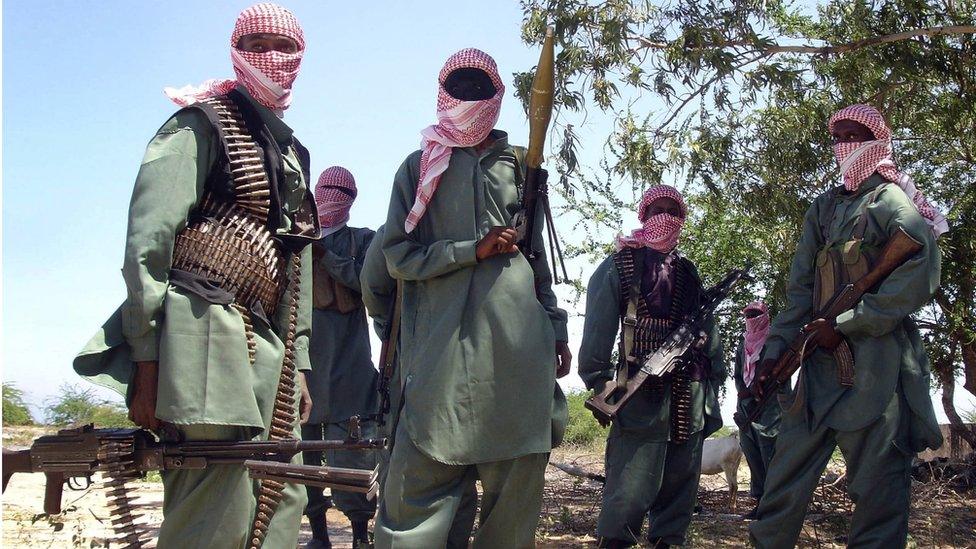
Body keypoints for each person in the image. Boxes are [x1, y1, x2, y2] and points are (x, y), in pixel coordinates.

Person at [73, 4, 317, 548]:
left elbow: (295, 266)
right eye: (255, 45)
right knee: (215, 505)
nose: (270, 57)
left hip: (267, 344)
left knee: (281, 497)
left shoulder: (288, 151)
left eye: (284, 46)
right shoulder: (199, 124)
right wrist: (147, 360)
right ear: (234, 50)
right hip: (202, 336)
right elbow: (148, 247)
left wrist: (298, 362)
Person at [373, 48, 571, 548]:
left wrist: (557, 330)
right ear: (442, 94)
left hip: (516, 359)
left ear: (498, 98)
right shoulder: (419, 168)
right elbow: (396, 256)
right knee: (410, 516)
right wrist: (469, 251)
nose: (467, 100)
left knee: (512, 514)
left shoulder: (521, 169)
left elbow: (536, 263)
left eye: (479, 90)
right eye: (457, 89)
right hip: (439, 363)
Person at [749, 104, 947, 548]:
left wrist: (849, 322)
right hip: (817, 371)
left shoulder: (892, 201)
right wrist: (775, 352)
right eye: (836, 136)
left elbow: (918, 273)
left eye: (853, 134)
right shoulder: (823, 208)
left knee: (879, 495)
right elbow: (800, 292)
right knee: (781, 486)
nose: (843, 145)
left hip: (875, 370)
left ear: (877, 140)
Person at [578, 184, 726, 548]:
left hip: (687, 394)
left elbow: (708, 332)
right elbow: (597, 330)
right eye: (657, 209)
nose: (665, 218)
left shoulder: (689, 272)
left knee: (679, 491)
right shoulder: (621, 265)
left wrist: (713, 379)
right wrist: (599, 382)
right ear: (643, 215)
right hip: (637, 395)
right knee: (627, 492)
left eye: (673, 211)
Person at [360, 224, 478, 549]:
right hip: (421, 363)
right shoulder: (405, 227)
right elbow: (374, 289)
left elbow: (373, 291)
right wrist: (395, 335)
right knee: (415, 462)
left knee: (447, 464)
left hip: (447, 364)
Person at [302, 166, 379, 548]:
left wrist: (326, 256)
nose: (331, 197)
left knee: (353, 458)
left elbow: (370, 283)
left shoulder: (364, 240)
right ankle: (318, 535)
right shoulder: (296, 240)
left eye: (340, 191)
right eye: (326, 190)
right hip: (306, 371)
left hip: (351, 370)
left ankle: (361, 535)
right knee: (304, 459)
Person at [732, 300, 780, 519]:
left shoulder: (775, 341)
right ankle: (761, 501)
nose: (752, 318)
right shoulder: (742, 345)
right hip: (745, 408)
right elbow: (738, 375)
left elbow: (780, 374)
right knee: (751, 452)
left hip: (770, 406)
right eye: (748, 314)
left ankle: (775, 504)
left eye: (755, 314)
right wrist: (743, 393)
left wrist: (757, 390)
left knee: (770, 452)